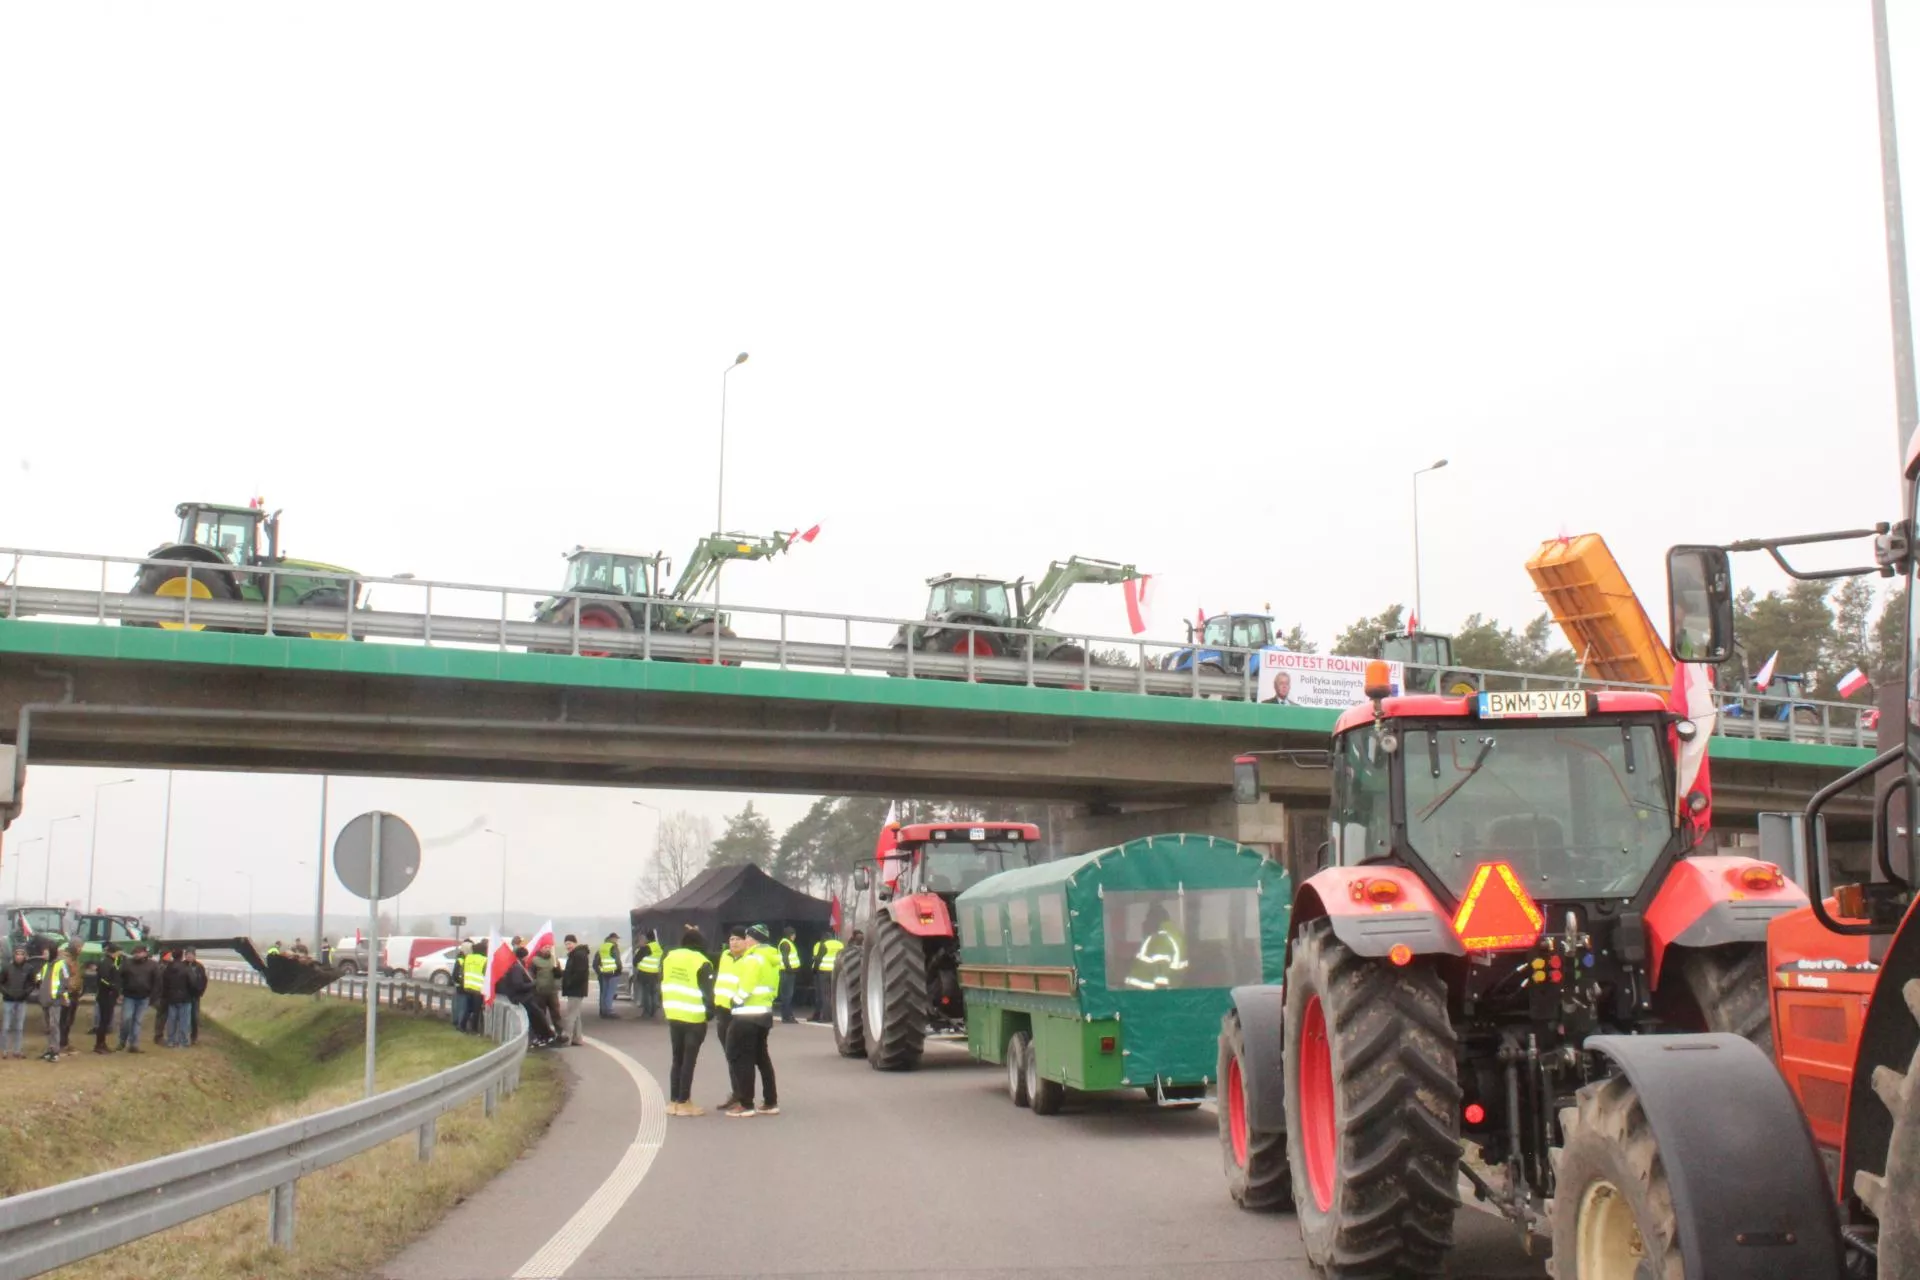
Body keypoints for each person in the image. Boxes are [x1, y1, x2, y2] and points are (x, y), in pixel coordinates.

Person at [722, 926, 778, 1118]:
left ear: (754, 939)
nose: (744, 941)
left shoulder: (754, 958)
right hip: (764, 1013)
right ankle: (770, 1101)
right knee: (762, 1057)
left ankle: (746, 1104)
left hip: (747, 1014)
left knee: (739, 1056)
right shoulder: (771, 958)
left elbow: (748, 983)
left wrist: (736, 1000)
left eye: (746, 937)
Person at [660, 927, 716, 1116]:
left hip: (673, 1013)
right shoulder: (702, 961)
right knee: (689, 1060)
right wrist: (710, 1013)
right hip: (694, 1017)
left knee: (677, 1058)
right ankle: (685, 1102)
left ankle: (674, 1101)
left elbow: (662, 980)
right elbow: (708, 992)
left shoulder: (669, 958)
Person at [1124, 904, 1190, 991]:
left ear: (1154, 920)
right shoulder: (1175, 936)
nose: (1144, 922)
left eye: (1148, 919)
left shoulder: (1161, 939)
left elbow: (1161, 978)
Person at [710, 933, 740, 1109]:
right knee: (729, 1055)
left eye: (738, 939)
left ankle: (744, 1096)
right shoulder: (725, 956)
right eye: (731, 939)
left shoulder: (748, 960)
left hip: (739, 1012)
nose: (734, 942)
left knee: (741, 1056)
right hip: (722, 1012)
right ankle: (736, 1093)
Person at [2, 942, 40, 1059]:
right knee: (6, 1026)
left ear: (25, 955)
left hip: (21, 1001)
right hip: (8, 1000)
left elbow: (32, 984)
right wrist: (6, 992)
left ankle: (17, 1050)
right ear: (14, 955)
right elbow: (1, 982)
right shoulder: (7, 967)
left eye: (21, 954)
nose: (19, 956)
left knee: (19, 1027)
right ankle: (4, 1050)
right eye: (17, 954)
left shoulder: (29, 968)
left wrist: (25, 993)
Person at [119, 943, 158, 1053]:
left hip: (144, 997)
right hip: (129, 996)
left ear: (145, 953)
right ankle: (122, 1040)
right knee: (126, 1019)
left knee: (137, 1021)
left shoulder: (153, 965)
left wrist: (153, 997)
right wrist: (119, 992)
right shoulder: (127, 964)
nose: (137, 954)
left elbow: (157, 982)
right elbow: (120, 978)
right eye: (135, 952)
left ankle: (134, 1044)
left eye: (139, 952)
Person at [37, 943, 69, 1062]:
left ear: (52, 952)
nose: (43, 955)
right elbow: (40, 978)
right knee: (48, 1027)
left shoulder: (62, 964)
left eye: (45, 953)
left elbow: (65, 980)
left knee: (54, 1025)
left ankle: (55, 1051)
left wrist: (58, 994)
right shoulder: (45, 966)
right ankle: (49, 1049)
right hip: (45, 1000)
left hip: (55, 1001)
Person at [91, 941, 123, 1054]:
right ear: (114, 952)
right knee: (104, 1021)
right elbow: (103, 979)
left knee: (106, 1020)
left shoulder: (112, 962)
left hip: (110, 995)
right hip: (106, 995)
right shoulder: (106, 963)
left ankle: (102, 1043)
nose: (120, 954)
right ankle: (99, 1044)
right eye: (119, 951)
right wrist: (113, 987)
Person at [560, 934, 591, 1046]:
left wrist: (569, 983)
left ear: (575, 943)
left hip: (576, 989)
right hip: (575, 989)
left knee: (570, 1015)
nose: (568, 946)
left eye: (569, 943)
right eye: (566, 944)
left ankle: (566, 1038)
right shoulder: (575, 955)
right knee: (576, 1015)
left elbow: (580, 973)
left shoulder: (579, 955)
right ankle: (577, 1038)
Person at [162, 949, 195, 1047]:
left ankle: (170, 1040)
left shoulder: (168, 968)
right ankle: (183, 1041)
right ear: (182, 956)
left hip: (172, 997)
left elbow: (164, 983)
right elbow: (193, 983)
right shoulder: (186, 968)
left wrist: (166, 994)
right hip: (185, 997)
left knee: (172, 1020)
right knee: (184, 1021)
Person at [531, 942, 564, 1040]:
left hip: (552, 991)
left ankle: (559, 1033)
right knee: (541, 1014)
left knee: (556, 1014)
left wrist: (557, 969)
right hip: (540, 992)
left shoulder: (554, 959)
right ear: (541, 948)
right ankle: (542, 1034)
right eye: (545, 947)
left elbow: (559, 975)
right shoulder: (535, 960)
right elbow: (531, 975)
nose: (548, 949)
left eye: (549, 947)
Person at [809, 934, 844, 1024]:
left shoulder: (824, 945)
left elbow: (819, 959)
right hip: (836, 971)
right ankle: (835, 1016)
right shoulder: (840, 944)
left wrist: (814, 969)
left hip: (824, 971)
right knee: (834, 994)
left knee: (825, 995)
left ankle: (826, 1017)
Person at [634, 929, 664, 1020]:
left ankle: (647, 1013)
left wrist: (638, 948)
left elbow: (635, 960)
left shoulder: (646, 948)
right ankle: (654, 1012)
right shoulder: (658, 947)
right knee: (654, 993)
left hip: (645, 973)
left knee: (646, 994)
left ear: (647, 938)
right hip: (655, 973)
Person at [57, 943, 81, 1054]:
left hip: (75, 993)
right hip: (67, 994)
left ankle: (65, 1042)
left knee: (70, 1020)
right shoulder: (64, 963)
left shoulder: (75, 962)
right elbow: (66, 978)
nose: (81, 950)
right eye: (79, 948)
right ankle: (61, 1043)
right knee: (64, 1020)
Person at [459, 942, 488, 1034]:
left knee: (467, 1008)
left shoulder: (468, 958)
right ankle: (474, 1029)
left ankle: (462, 1026)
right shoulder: (484, 960)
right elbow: (486, 974)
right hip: (478, 988)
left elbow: (462, 972)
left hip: (467, 986)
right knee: (476, 1010)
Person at [775, 927, 802, 1025]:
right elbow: (785, 958)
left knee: (786, 995)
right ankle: (787, 1016)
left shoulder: (786, 943)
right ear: (791, 934)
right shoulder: (786, 943)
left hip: (787, 973)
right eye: (793, 934)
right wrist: (789, 969)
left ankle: (786, 1016)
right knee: (787, 996)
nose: (795, 936)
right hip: (787, 973)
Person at [595, 932, 623, 1019]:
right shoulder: (613, 947)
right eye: (616, 939)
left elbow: (597, 961)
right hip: (613, 972)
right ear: (612, 938)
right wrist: (619, 969)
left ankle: (603, 1010)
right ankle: (609, 1011)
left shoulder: (602, 947)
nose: (617, 940)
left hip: (604, 972)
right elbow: (617, 960)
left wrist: (599, 971)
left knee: (604, 992)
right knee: (610, 992)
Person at [184, 949, 208, 1045]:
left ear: (194, 956)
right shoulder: (182, 965)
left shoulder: (199, 967)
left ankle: (194, 1036)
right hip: (184, 995)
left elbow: (204, 981)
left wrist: (200, 992)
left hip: (195, 996)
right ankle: (184, 1035)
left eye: (191, 955)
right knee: (184, 1016)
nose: (189, 957)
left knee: (194, 1016)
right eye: (187, 955)